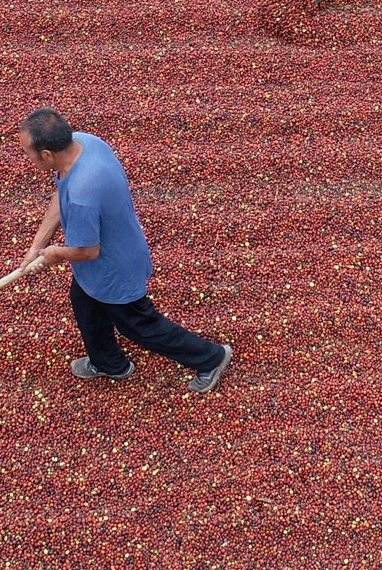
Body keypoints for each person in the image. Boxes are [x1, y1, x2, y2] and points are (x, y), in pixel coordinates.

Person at [17, 107, 233, 393]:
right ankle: (109, 363)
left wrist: (54, 254)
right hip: (109, 257)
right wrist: (37, 246)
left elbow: (87, 251)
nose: (27, 159)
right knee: (84, 304)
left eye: (28, 154)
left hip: (114, 269)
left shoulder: (82, 194)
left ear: (46, 155)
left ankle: (211, 358)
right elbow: (61, 193)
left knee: (138, 326)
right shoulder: (85, 143)